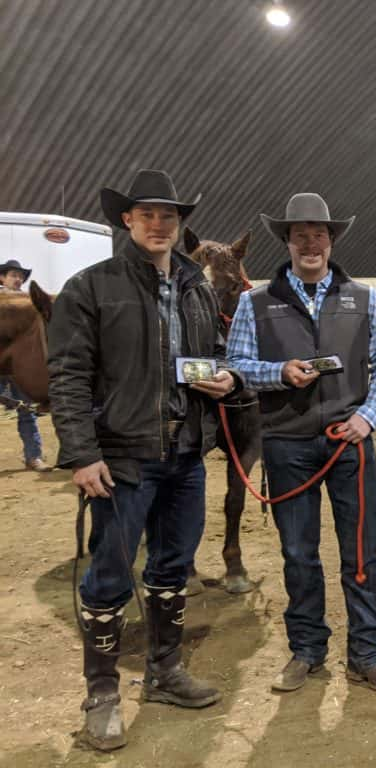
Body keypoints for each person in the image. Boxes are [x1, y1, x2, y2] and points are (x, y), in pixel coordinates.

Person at [47, 169, 239, 751]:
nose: (159, 224)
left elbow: (214, 355)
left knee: (171, 569)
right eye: (147, 214)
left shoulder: (196, 287)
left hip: (185, 456)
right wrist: (81, 454)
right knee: (109, 575)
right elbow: (68, 377)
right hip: (124, 459)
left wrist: (226, 379)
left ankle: (164, 672)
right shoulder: (91, 287)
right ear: (126, 220)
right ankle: (101, 693)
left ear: (180, 225)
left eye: (169, 216)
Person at [227, 192, 376, 694]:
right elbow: (237, 366)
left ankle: (367, 653)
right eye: (300, 235)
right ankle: (307, 650)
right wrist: (278, 372)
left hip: (349, 443)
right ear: (286, 241)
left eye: (319, 234)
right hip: (286, 444)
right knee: (299, 553)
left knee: (362, 553)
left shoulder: (363, 299)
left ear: (331, 240)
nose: (310, 243)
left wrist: (368, 418)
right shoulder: (254, 302)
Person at [1, 259, 52, 471]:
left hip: (20, 367)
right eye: (14, 274)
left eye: (21, 276)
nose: (18, 279)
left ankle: (33, 456)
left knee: (27, 411)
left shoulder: (28, 302)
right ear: (2, 277)